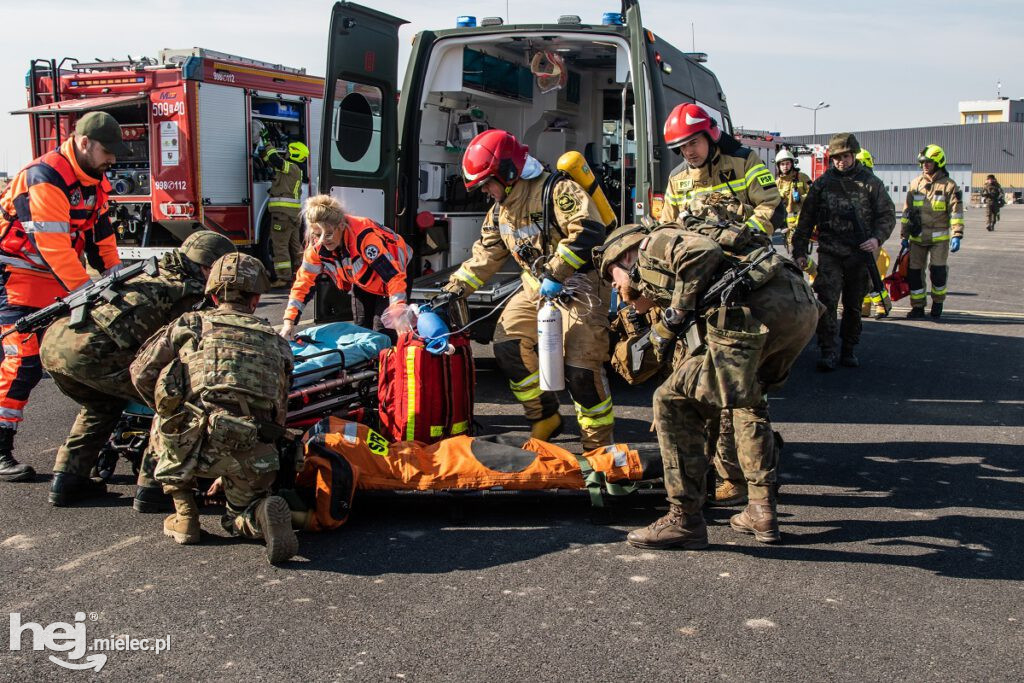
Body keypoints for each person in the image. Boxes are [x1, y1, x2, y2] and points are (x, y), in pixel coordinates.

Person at [594, 222, 820, 548]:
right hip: (797, 309)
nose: (616, 289)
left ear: (622, 256)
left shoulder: (650, 247)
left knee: (671, 402)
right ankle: (761, 510)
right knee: (748, 400)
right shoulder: (680, 277)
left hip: (758, 311)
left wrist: (676, 312)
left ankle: (683, 519)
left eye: (611, 277)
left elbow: (703, 251)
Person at [442, 129, 614, 449]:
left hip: (582, 285)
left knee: (580, 370)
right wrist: (454, 289)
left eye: (487, 184)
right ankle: (544, 417)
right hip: (536, 287)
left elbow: (589, 230)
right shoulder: (500, 209)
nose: (486, 192)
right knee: (507, 347)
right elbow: (486, 254)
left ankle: (598, 449)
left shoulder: (556, 190)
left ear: (507, 173)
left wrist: (558, 271)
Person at [39, 230, 236, 506]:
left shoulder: (149, 271)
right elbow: (192, 345)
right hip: (95, 352)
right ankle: (154, 487)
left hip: (56, 345)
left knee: (102, 405)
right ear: (207, 267)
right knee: (175, 401)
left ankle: (68, 480)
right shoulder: (188, 291)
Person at [656, 104, 785, 508]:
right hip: (698, 289)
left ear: (710, 135)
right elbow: (666, 228)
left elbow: (772, 207)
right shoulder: (678, 178)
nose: (688, 153)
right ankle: (711, 470)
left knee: (735, 385)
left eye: (692, 143)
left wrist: (744, 235)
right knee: (696, 381)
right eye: (680, 148)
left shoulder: (744, 161)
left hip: (741, 281)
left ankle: (737, 477)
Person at [130, 253, 297, 564]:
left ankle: (186, 516)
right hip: (252, 450)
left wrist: (166, 407)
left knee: (166, 410)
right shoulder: (276, 341)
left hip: (189, 442)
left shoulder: (191, 324)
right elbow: (279, 409)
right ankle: (257, 514)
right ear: (256, 298)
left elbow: (141, 372)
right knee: (238, 514)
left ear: (212, 293)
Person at [0, 111, 125, 482]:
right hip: (16, 278)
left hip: (54, 280)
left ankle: (95, 445)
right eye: (107, 151)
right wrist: (90, 292)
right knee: (23, 362)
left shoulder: (93, 179)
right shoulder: (45, 176)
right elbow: (52, 247)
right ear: (83, 142)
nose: (113, 160)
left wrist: (117, 279)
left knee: (87, 356)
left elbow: (101, 236)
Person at [792, 133, 895, 370]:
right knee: (827, 301)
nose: (841, 161)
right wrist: (799, 250)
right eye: (836, 157)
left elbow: (887, 215)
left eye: (845, 156)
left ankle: (848, 349)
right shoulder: (822, 184)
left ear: (854, 155)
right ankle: (827, 351)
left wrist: (876, 239)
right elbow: (805, 220)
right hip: (830, 252)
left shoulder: (871, 183)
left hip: (860, 255)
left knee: (853, 305)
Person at [280, 195, 412, 341]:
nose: (323, 241)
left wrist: (398, 309)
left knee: (383, 336)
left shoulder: (365, 238)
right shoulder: (316, 246)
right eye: (318, 235)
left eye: (328, 234)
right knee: (362, 333)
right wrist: (289, 321)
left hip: (394, 276)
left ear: (341, 226)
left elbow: (393, 276)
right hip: (364, 282)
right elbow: (303, 283)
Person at [900, 145, 964, 319]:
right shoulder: (915, 184)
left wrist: (957, 234)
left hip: (939, 238)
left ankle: (938, 302)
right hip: (917, 237)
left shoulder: (949, 186)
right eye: (922, 162)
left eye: (928, 162)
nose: (925, 165)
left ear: (938, 162)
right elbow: (907, 212)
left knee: (938, 272)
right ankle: (918, 306)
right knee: (914, 273)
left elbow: (956, 212)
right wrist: (904, 235)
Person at [261, 136, 308, 286]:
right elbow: (272, 161)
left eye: (288, 151)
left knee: (280, 245)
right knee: (295, 247)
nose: (286, 153)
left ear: (294, 153)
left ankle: (283, 278)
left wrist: (266, 141)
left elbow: (275, 159)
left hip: (283, 215)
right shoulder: (297, 170)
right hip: (293, 216)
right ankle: (303, 273)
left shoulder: (291, 167)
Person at [855, 149, 892, 319]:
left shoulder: (875, 185)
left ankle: (882, 303)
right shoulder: (847, 184)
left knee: (869, 273)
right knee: (855, 274)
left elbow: (887, 214)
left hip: (870, 237)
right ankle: (862, 307)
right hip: (852, 238)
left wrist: (877, 237)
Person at [774, 148, 812, 250]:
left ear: (792, 164)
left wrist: (801, 198)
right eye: (782, 164)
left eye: (787, 163)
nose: (785, 166)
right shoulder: (777, 183)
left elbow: (813, 194)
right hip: (787, 221)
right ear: (778, 166)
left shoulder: (802, 177)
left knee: (799, 249)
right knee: (792, 249)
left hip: (802, 217)